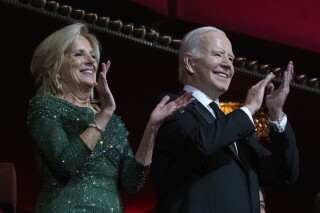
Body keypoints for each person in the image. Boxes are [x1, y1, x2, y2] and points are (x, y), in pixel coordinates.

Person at [27, 23, 193, 213]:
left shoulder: (111, 120)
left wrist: (152, 127)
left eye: (93, 55)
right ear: (56, 68)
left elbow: (133, 182)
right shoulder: (45, 106)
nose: (91, 61)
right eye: (79, 54)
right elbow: (67, 164)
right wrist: (104, 114)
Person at [152, 26, 299, 213]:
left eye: (230, 58)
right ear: (190, 63)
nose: (228, 64)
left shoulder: (233, 126)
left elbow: (284, 173)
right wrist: (248, 108)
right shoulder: (171, 105)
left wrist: (276, 113)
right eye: (218, 55)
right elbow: (200, 143)